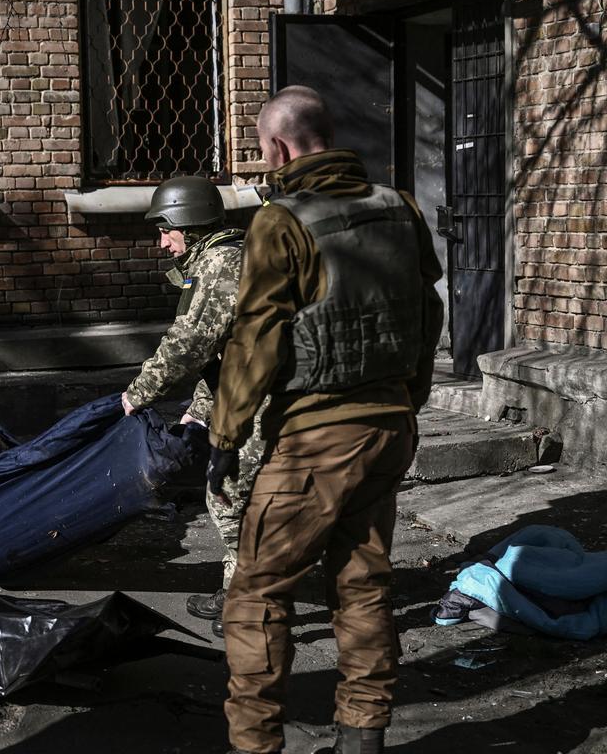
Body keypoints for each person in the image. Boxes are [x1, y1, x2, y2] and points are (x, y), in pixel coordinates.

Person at [206, 86, 444, 754]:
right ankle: (361, 737)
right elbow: (429, 315)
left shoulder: (282, 223)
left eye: (260, 150)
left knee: (257, 592)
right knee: (363, 581)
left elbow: (256, 340)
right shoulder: (399, 208)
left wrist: (224, 438)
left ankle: (256, 745)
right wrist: (409, 396)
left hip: (316, 438)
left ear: (279, 147)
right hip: (390, 427)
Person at [120, 175, 266, 636]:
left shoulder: (222, 262)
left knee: (229, 496)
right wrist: (200, 409)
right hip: (247, 393)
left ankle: (247, 604)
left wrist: (138, 393)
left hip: (265, 400)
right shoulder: (220, 259)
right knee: (237, 497)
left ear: (189, 222)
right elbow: (226, 350)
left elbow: (192, 343)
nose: (163, 243)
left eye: (166, 230)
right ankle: (240, 590)